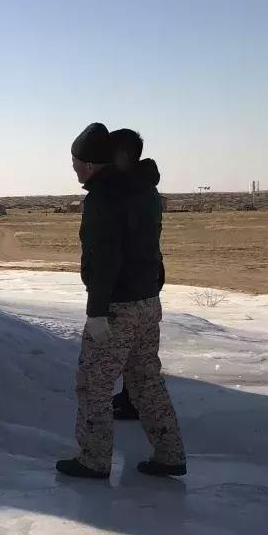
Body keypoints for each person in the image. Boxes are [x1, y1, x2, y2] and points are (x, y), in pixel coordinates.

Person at [57, 122, 186, 480]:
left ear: (91, 164)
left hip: (117, 307)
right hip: (147, 300)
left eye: (76, 162)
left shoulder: (103, 198)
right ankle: (170, 452)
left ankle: (93, 460)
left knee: (93, 385)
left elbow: (103, 259)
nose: (74, 169)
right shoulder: (144, 191)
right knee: (146, 381)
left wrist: (96, 311)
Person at [108, 128, 165, 423]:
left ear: (123, 156)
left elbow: (124, 239)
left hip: (133, 282)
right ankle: (132, 397)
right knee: (139, 351)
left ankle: (136, 402)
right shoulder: (144, 187)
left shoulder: (132, 192)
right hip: (147, 276)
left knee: (129, 354)